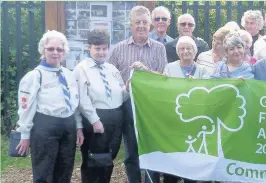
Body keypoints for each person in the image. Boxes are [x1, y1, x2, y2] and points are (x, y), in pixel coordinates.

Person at [133, 36, 211, 183]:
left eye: (189, 48)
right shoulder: (170, 67)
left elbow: (208, 91)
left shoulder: (203, 70)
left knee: (191, 160)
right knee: (173, 160)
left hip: (194, 122)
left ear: (195, 51)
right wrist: (142, 72)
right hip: (174, 121)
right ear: (177, 52)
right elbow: (162, 86)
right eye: (182, 48)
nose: (185, 51)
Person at [108, 5, 168, 183]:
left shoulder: (159, 48)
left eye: (144, 22)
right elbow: (111, 76)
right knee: (131, 150)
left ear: (150, 24)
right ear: (130, 25)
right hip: (128, 104)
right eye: (137, 22)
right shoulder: (119, 48)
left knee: (152, 148)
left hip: (151, 106)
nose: (141, 26)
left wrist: (147, 71)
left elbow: (164, 76)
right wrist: (123, 86)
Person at [16, 30, 84, 183]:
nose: (55, 53)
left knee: (65, 170)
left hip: (68, 126)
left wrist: (78, 126)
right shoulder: (34, 76)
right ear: (43, 50)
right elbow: (25, 109)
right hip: (45, 127)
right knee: (44, 172)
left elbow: (75, 103)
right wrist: (25, 135)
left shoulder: (68, 74)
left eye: (59, 49)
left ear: (64, 52)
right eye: (51, 49)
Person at [74, 30, 127, 183]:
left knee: (108, 160)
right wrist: (94, 120)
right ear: (89, 48)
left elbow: (121, 95)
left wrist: (128, 89)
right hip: (95, 120)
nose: (101, 52)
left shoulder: (112, 69)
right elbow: (82, 99)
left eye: (104, 48)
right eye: (97, 49)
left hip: (116, 118)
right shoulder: (82, 69)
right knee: (93, 162)